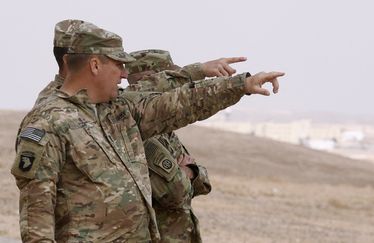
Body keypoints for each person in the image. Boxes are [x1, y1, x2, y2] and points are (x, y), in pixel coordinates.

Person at [11, 20, 284, 242]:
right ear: (95, 65)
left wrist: (239, 86)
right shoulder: (48, 123)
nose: (123, 74)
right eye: (117, 64)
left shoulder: (118, 110)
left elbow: (178, 104)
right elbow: (37, 215)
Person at [126, 50, 218, 243]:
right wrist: (188, 174)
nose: (177, 89)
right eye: (171, 80)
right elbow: (175, 194)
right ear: (151, 81)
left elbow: (203, 184)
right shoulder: (143, 136)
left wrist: (189, 172)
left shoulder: (165, 131)